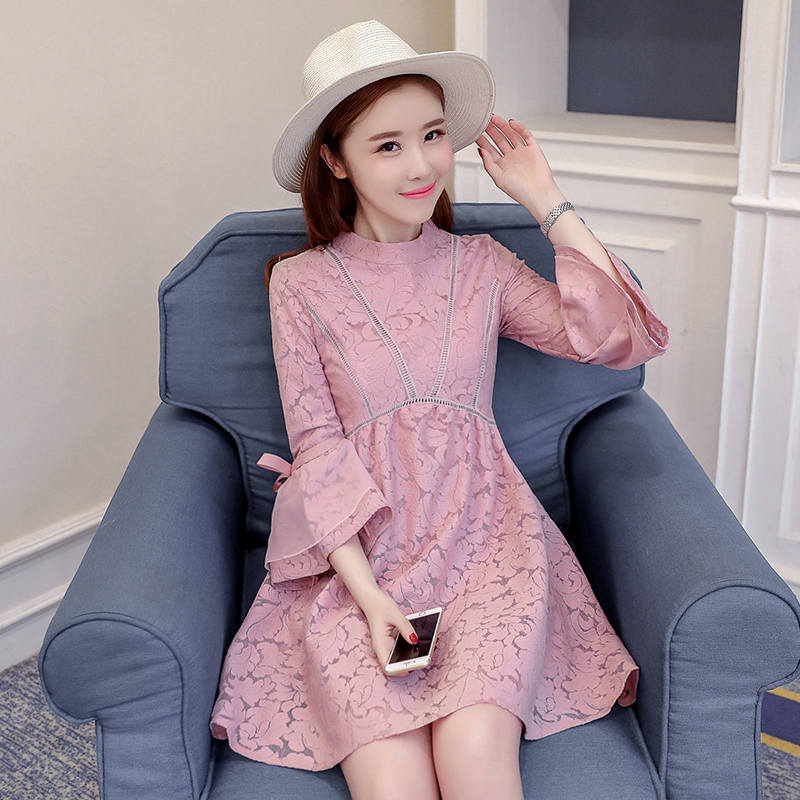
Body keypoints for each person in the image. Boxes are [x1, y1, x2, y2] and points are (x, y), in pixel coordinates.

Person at [210, 20, 669, 800]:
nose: (422, 165)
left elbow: (619, 338)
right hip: (364, 570)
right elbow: (316, 450)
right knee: (395, 787)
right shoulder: (300, 284)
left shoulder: (482, 265)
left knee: (477, 764)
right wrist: (370, 600)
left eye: (432, 135)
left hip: (489, 552)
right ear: (336, 159)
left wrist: (544, 197)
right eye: (388, 145)